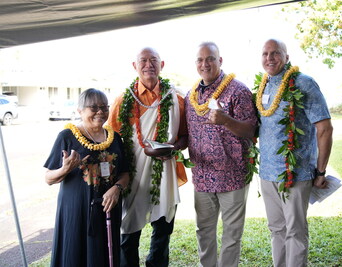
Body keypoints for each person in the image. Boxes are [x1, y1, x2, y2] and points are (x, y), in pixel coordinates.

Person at [107, 47, 188, 267]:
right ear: (135, 66)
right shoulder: (123, 100)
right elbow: (109, 140)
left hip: (165, 173)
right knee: (128, 232)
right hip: (133, 175)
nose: (148, 65)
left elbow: (184, 137)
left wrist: (172, 149)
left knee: (163, 231)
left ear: (162, 65)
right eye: (143, 60)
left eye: (154, 60)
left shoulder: (176, 97)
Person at [256, 39, 333, 267]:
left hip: (296, 173)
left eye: (275, 53)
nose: (269, 58)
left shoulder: (304, 83)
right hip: (267, 173)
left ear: (287, 57)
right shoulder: (264, 85)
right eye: (265, 53)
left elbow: (325, 129)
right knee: (276, 229)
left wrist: (320, 171)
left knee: (295, 232)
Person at [185, 41, 258, 267]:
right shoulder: (191, 96)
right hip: (203, 177)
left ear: (220, 61)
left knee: (231, 235)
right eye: (200, 59)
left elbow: (251, 130)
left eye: (210, 59)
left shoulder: (238, 90)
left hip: (232, 175)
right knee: (203, 231)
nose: (204, 64)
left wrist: (225, 120)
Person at [44, 88, 130, 267]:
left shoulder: (115, 139)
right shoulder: (67, 136)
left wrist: (117, 188)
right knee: (74, 255)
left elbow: (124, 173)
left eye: (104, 107)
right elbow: (49, 178)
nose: (100, 112)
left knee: (105, 256)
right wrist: (65, 169)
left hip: (107, 209)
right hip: (76, 211)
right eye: (94, 107)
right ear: (80, 111)